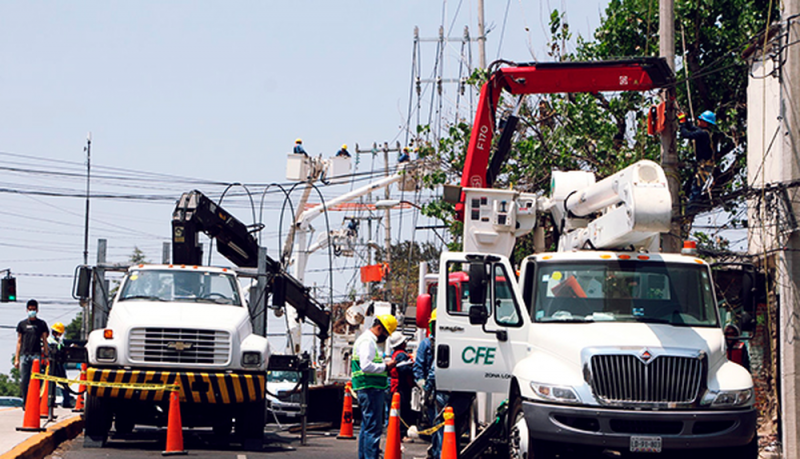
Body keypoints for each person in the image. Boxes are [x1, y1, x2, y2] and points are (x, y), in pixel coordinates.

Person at [351, 314, 398, 459]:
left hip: (368, 387)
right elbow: (366, 366)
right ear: (379, 328)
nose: (385, 337)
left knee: (367, 427)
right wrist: (386, 366)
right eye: (386, 333)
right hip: (369, 388)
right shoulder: (368, 342)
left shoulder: (367, 340)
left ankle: (365, 456)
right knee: (373, 429)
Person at [413, 309, 438, 457]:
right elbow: (418, 367)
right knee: (436, 425)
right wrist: (423, 385)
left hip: (449, 390)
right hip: (432, 391)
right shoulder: (426, 344)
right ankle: (436, 452)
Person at [15, 299, 49, 404]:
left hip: (36, 355)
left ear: (37, 310)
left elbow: (45, 340)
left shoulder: (41, 324)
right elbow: (19, 341)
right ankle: (25, 402)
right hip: (24, 355)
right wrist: (17, 358)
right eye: (30, 309)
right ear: (27, 310)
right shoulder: (22, 324)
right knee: (24, 380)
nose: (32, 311)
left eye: (33, 309)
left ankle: (35, 402)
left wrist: (46, 356)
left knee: (35, 380)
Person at [678, 110, 717, 203]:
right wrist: (685, 119)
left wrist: (682, 123)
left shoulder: (703, 134)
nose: (698, 121)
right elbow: (691, 127)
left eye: (700, 119)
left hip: (704, 167)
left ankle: (690, 212)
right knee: (691, 188)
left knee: (696, 190)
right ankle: (688, 208)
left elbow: (686, 134)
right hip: (702, 165)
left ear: (705, 123)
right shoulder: (703, 131)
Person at [387, 331, 414, 440]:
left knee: (396, 409)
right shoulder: (402, 355)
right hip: (401, 386)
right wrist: (412, 366)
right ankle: (401, 434)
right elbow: (403, 369)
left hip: (395, 385)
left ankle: (395, 431)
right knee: (403, 410)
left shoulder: (395, 354)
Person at [47, 322, 73, 408]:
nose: (60, 335)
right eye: (59, 333)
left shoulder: (60, 341)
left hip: (59, 364)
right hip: (52, 364)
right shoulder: (49, 341)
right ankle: (51, 401)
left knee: (64, 383)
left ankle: (66, 401)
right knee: (51, 383)